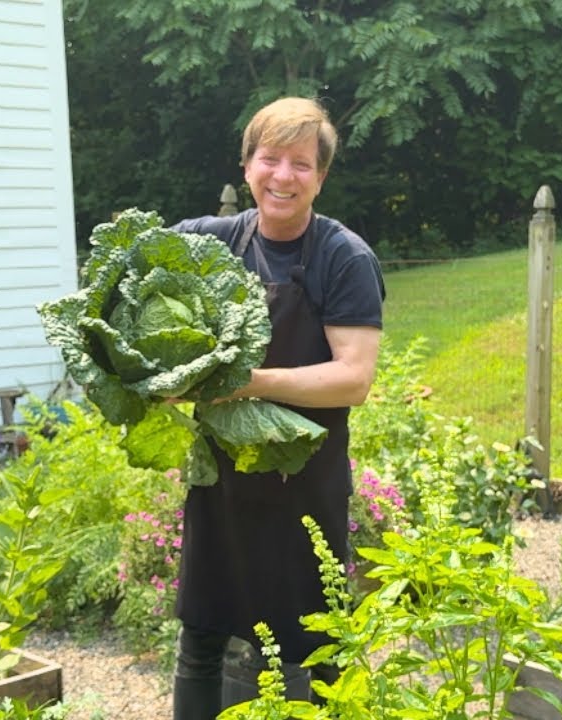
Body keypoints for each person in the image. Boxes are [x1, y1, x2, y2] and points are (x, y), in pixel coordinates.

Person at [169, 96, 385, 719]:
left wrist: (245, 382)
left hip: (303, 487)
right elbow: (129, 293)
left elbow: (353, 378)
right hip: (219, 481)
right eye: (270, 159)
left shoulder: (344, 257)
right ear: (247, 167)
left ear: (321, 177)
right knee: (201, 638)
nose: (283, 176)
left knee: (317, 649)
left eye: (301, 163)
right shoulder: (208, 243)